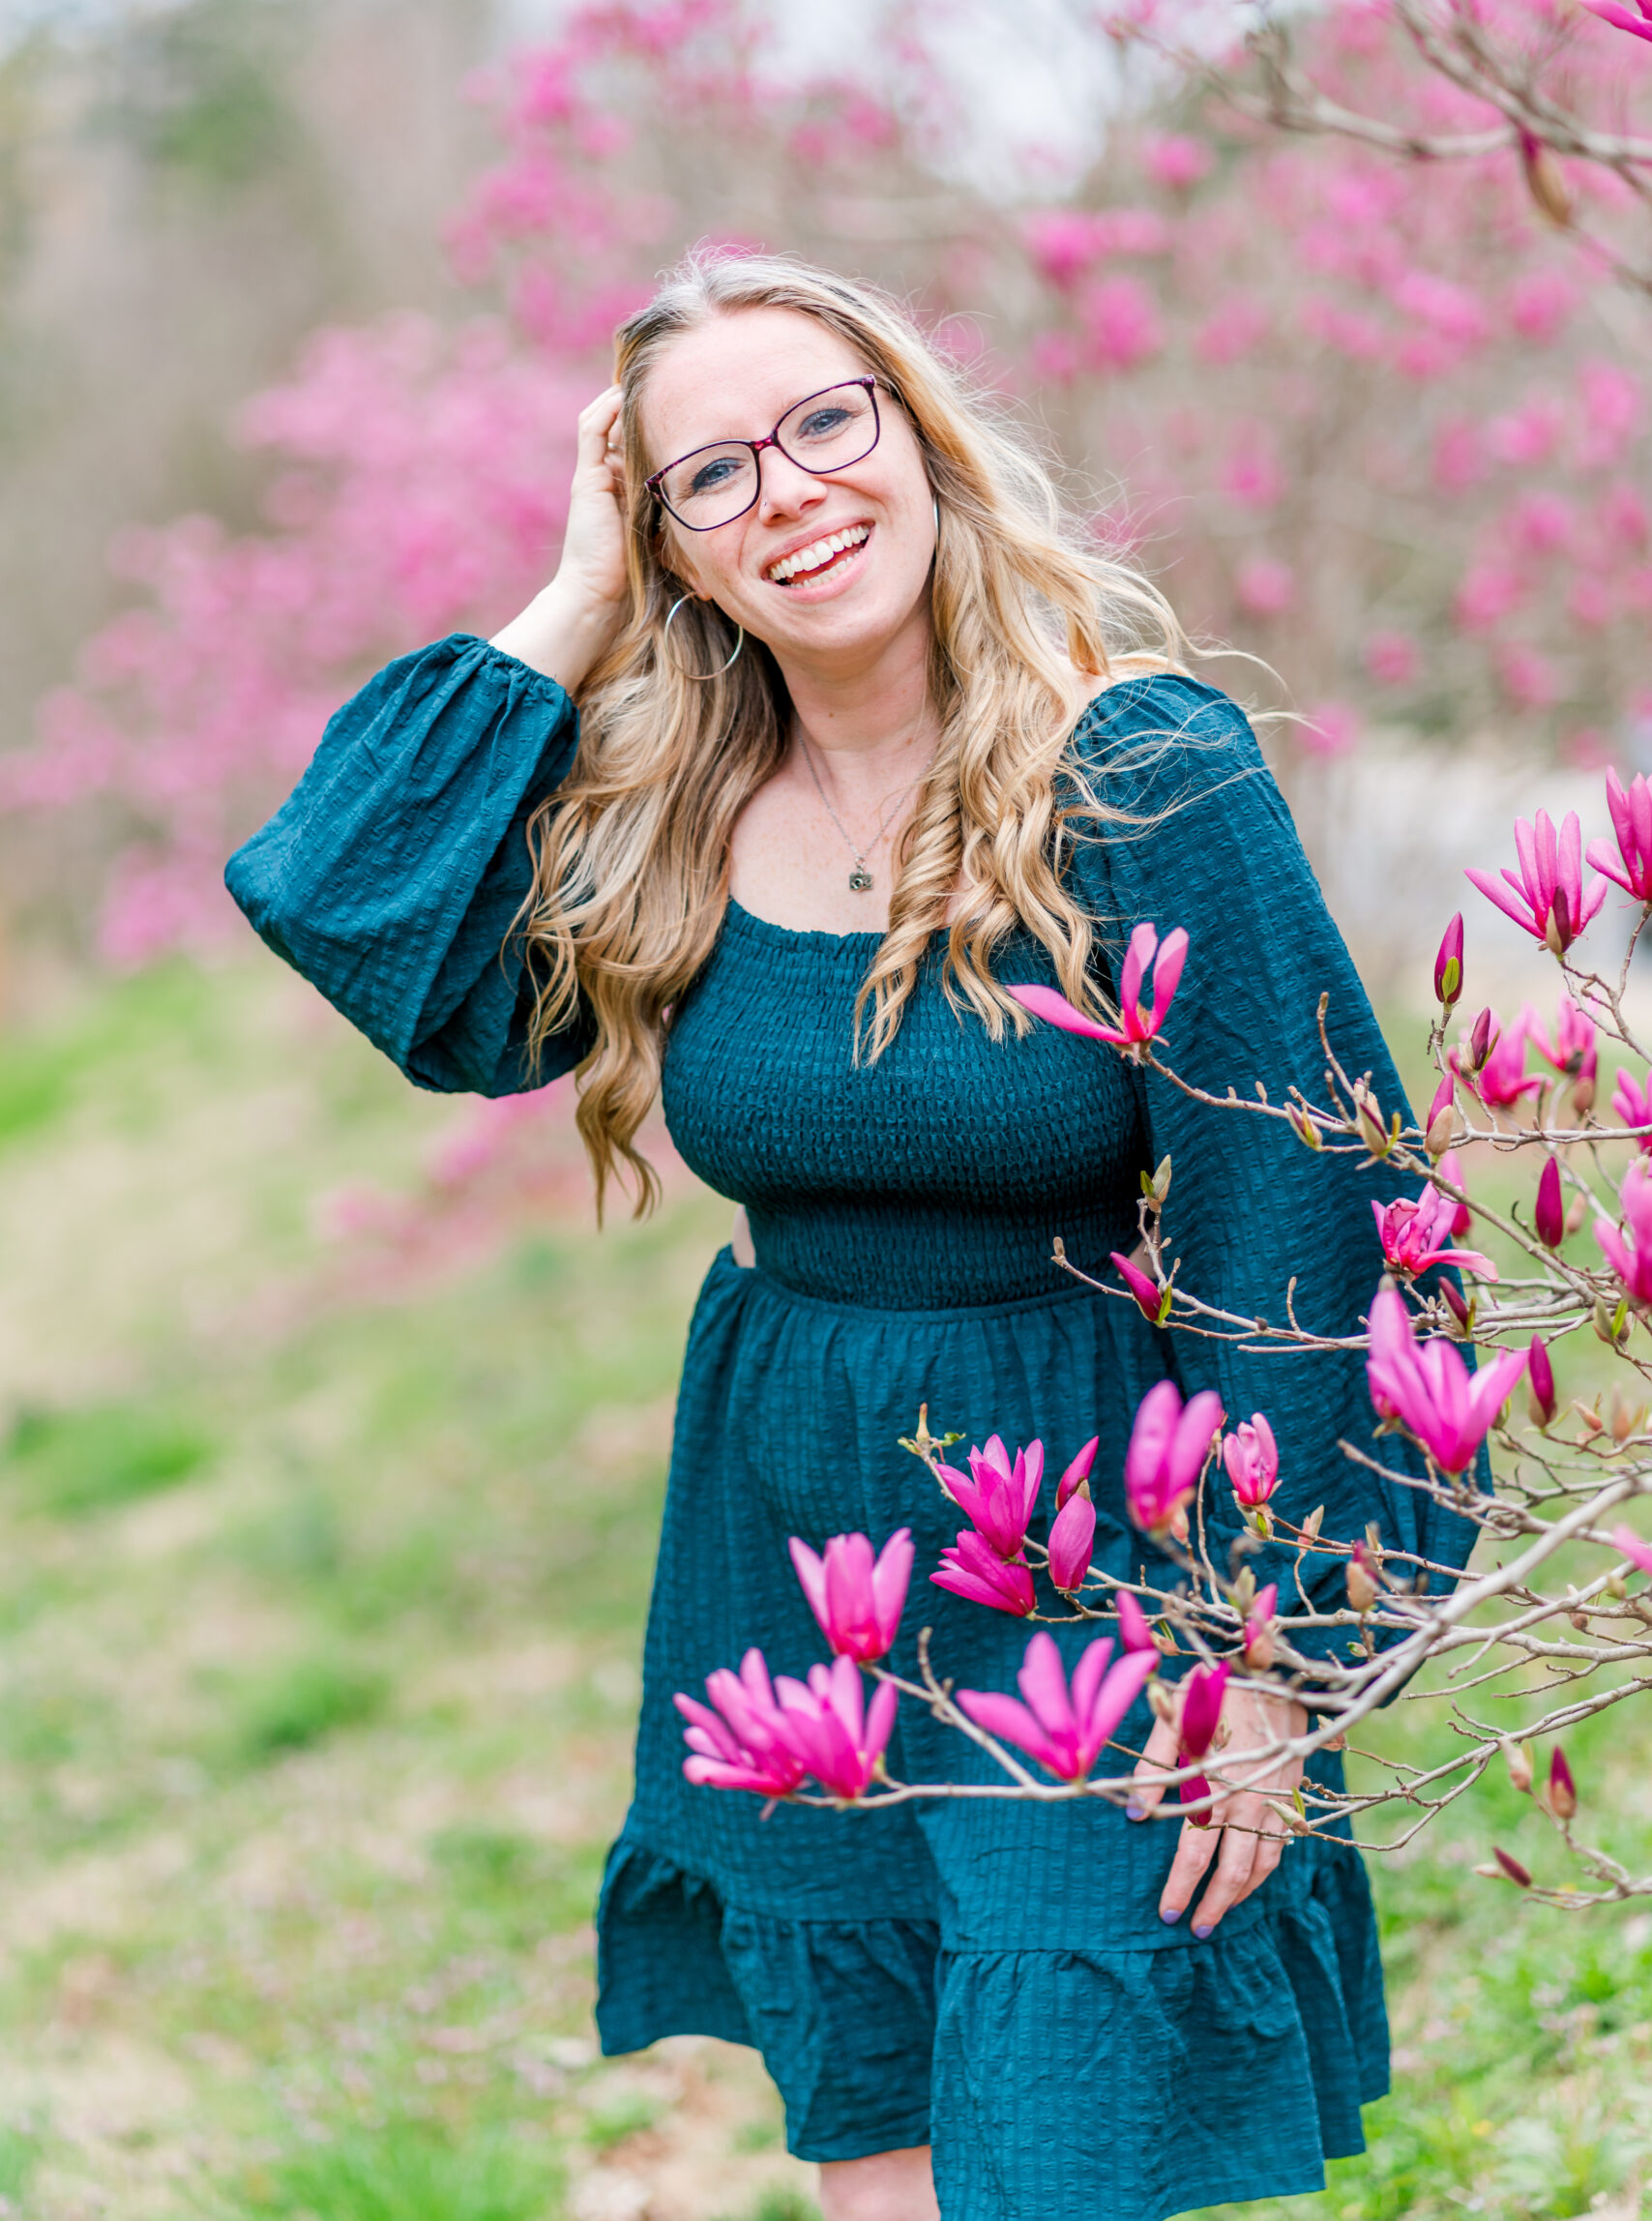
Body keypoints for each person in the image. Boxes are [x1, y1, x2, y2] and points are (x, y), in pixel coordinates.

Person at [226, 251, 1468, 2221]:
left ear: (913, 434)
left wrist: (1270, 1646)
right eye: (707, 475)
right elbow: (343, 895)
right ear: (669, 550)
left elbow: (1299, 1209)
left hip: (1090, 1536)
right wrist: (566, 605)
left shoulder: (1136, 768)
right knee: (876, 2153)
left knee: (1061, 2134)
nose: (788, 488)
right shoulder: (665, 812)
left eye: (823, 421)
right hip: (789, 1532)